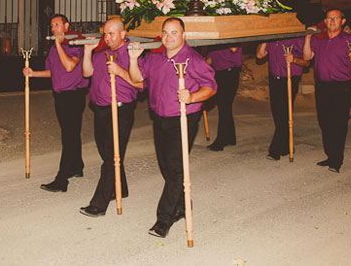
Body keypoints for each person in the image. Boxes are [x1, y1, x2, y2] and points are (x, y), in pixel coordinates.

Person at [128, 17, 217, 238]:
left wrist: (192, 96)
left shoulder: (192, 59)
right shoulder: (155, 57)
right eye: (165, 32)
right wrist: (132, 59)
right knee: (167, 167)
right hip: (159, 118)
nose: (169, 37)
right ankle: (183, 205)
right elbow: (137, 78)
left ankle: (163, 220)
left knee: (176, 170)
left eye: (174, 33)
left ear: (183, 35)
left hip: (183, 119)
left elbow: (211, 87)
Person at [79, 17, 143, 217]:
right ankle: (120, 188)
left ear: (123, 34)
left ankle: (99, 204)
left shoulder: (132, 53)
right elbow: (87, 73)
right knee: (108, 152)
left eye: (111, 33)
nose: (107, 37)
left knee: (111, 157)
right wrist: (88, 52)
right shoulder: (102, 53)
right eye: (105, 34)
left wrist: (120, 72)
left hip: (120, 109)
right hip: (100, 109)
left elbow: (140, 83)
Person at [22, 14, 88, 192]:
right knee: (71, 133)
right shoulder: (53, 50)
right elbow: (52, 72)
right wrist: (33, 74)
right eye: (52, 26)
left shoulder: (74, 44)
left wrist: (59, 43)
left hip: (73, 96)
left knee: (69, 135)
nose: (54, 29)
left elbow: (69, 66)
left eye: (57, 25)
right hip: (60, 95)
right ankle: (77, 167)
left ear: (66, 26)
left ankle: (62, 179)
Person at [303, 9, 351, 173]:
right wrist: (308, 37)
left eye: (335, 18)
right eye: (329, 18)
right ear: (325, 21)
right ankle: (330, 155)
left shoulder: (350, 40)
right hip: (322, 87)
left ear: (342, 21)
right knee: (324, 123)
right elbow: (307, 56)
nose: (332, 21)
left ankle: (336, 160)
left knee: (338, 124)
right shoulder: (319, 40)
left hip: (341, 87)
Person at [256, 38, 310, 161]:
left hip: (290, 78)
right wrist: (265, 38)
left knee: (284, 112)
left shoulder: (296, 37)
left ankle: (275, 149)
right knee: (277, 113)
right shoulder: (272, 38)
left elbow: (306, 62)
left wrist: (294, 59)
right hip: (275, 78)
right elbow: (259, 55)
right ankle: (286, 145)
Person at [206, 45, 242, 150]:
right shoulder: (213, 42)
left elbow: (234, 48)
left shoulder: (229, 35)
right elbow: (210, 59)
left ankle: (221, 140)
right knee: (224, 106)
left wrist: (221, 39)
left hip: (230, 73)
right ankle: (231, 137)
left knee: (224, 106)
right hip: (218, 74)